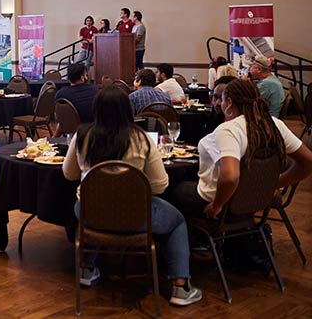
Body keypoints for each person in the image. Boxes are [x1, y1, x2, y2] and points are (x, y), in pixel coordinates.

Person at [63, 87, 203, 307]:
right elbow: (160, 186)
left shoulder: (82, 136)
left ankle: (86, 268)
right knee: (177, 221)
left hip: (90, 212)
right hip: (135, 215)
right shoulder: (141, 139)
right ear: (127, 110)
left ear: (96, 110)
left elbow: (69, 174)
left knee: (91, 206)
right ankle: (180, 286)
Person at [170, 79, 312, 222]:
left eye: (223, 100)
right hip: (254, 199)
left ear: (230, 102)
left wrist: (217, 205)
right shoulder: (274, 124)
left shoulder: (229, 130)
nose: (220, 104)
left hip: (224, 203)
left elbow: (230, 177)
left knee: (171, 190)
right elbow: (308, 161)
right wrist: (272, 185)